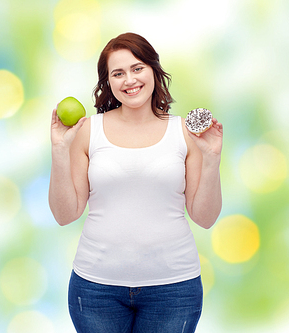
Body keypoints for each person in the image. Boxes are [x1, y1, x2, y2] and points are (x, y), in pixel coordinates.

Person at [49, 32, 223, 333]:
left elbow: (205, 218)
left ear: (154, 70)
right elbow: (65, 215)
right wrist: (59, 151)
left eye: (137, 68)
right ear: (108, 83)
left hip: (174, 289)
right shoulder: (88, 131)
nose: (129, 80)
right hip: (96, 289)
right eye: (118, 73)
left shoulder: (185, 133)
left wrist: (212, 160)